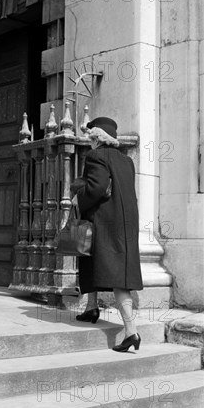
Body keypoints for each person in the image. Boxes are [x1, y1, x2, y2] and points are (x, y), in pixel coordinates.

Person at [70, 117, 143, 352]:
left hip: (105, 221)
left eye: (90, 138)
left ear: (96, 138)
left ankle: (131, 332)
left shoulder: (95, 156)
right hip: (125, 223)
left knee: (117, 275)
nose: (89, 143)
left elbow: (98, 187)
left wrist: (78, 196)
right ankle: (91, 308)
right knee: (92, 260)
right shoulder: (127, 161)